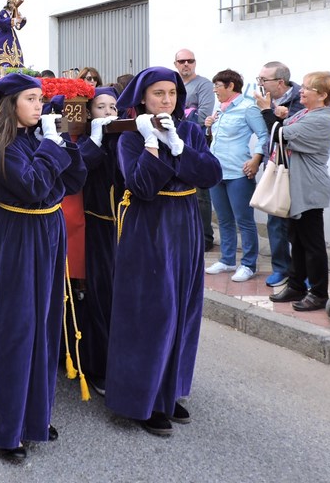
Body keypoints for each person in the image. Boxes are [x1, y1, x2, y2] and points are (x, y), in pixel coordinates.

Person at [105, 67, 222, 437]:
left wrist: (180, 146)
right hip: (149, 226)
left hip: (184, 224)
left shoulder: (189, 131)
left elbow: (211, 174)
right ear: (143, 97)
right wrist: (153, 144)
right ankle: (142, 398)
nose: (167, 100)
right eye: (158, 93)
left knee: (183, 308)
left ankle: (169, 390)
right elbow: (141, 186)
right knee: (152, 312)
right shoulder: (130, 136)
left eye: (171, 93)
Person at [0, 73, 87, 460]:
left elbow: (74, 180)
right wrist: (51, 147)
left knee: (44, 326)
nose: (39, 105)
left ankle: (34, 416)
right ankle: (8, 429)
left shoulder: (36, 138)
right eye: (31, 99)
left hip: (46, 232)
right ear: (11, 104)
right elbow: (35, 185)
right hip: (14, 235)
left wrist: (62, 143)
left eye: (40, 98)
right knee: (14, 330)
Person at [257, 71, 330, 312]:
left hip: (310, 188)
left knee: (312, 244)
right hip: (296, 187)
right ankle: (296, 285)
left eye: (306, 88)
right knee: (297, 240)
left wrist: (267, 111)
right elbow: (283, 127)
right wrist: (279, 115)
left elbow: (279, 135)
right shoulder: (306, 113)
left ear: (322, 95)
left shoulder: (322, 120)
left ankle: (319, 293)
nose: (300, 91)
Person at [204, 69, 269, 283]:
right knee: (224, 219)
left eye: (217, 86)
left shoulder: (248, 108)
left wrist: (256, 160)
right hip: (217, 171)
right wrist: (209, 128)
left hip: (238, 173)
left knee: (244, 220)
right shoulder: (220, 109)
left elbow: (263, 135)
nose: (215, 90)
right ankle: (227, 260)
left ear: (231, 86)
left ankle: (248, 264)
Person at [78, 87, 121, 396]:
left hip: (123, 227)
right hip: (95, 225)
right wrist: (95, 140)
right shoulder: (83, 142)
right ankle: (98, 365)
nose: (108, 112)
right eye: (101, 107)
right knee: (99, 295)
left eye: (113, 107)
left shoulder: (125, 138)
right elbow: (78, 168)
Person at [256, 61, 304, 288]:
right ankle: (280, 268)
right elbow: (267, 134)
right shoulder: (267, 100)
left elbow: (287, 134)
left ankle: (302, 271)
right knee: (275, 220)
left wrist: (272, 113)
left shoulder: (301, 101)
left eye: (263, 80)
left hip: (296, 169)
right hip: (274, 166)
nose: (260, 84)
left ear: (280, 82)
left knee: (299, 223)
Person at [174, 49, 216, 252]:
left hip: (195, 142)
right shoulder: (174, 85)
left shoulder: (203, 84)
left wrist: (181, 116)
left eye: (190, 60)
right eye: (182, 61)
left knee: (200, 193)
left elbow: (202, 116)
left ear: (195, 63)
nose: (186, 64)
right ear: (175, 64)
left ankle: (205, 237)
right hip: (175, 143)